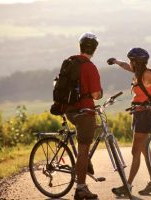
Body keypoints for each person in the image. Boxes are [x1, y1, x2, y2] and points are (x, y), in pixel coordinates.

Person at [107, 47, 151, 196]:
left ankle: (127, 185)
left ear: (137, 62)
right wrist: (116, 61)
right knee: (143, 149)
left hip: (144, 115)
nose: (130, 63)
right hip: (138, 113)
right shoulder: (137, 72)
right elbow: (125, 66)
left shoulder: (147, 75)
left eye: (132, 61)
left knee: (135, 151)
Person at [66, 32, 102, 200]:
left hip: (70, 110)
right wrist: (100, 94)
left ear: (80, 47)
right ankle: (81, 188)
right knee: (83, 149)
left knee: (84, 146)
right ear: (94, 49)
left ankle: (85, 162)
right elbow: (95, 94)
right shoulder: (90, 67)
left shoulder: (69, 62)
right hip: (85, 112)